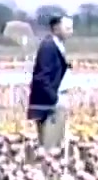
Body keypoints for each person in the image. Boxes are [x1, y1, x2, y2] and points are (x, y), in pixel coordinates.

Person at [27, 15, 73, 149]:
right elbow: (42, 77)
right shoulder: (49, 46)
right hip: (50, 105)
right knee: (50, 147)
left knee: (55, 145)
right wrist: (54, 98)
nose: (71, 31)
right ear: (56, 28)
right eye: (67, 28)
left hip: (55, 100)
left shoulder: (57, 45)